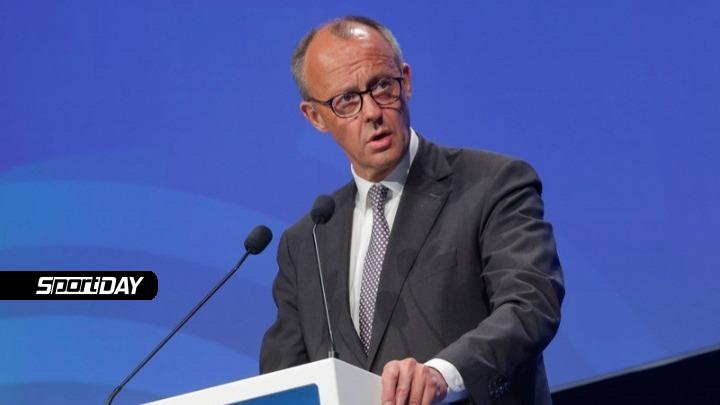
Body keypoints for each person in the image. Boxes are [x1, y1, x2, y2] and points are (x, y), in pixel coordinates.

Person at [260, 16, 564, 405]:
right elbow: (284, 382)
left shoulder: (492, 183)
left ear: (406, 81)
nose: (372, 112)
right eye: (347, 100)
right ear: (315, 116)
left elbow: (530, 305)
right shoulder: (307, 243)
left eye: (382, 86)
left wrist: (442, 374)